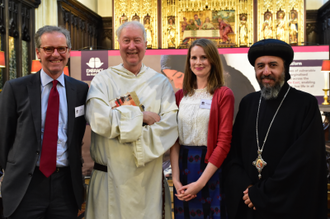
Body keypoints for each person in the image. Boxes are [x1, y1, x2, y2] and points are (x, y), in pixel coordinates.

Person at [224, 39, 327, 219]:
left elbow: (304, 161)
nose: (266, 72)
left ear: (285, 69)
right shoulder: (248, 103)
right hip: (249, 204)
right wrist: (247, 189)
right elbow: (234, 154)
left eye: (273, 65)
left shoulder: (305, 104)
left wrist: (263, 193)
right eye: (260, 66)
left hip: (287, 205)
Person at [85, 21, 178, 219]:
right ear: (118, 43)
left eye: (137, 40)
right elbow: (99, 119)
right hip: (110, 181)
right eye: (126, 40)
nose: (132, 46)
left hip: (147, 181)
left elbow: (170, 125)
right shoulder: (102, 80)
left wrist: (122, 127)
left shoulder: (160, 83)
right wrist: (141, 117)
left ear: (146, 43)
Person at [0, 25, 89, 218]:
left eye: (61, 48)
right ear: (38, 52)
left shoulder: (81, 90)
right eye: (49, 49)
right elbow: (4, 137)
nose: (55, 54)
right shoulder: (15, 88)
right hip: (25, 185)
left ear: (69, 52)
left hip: (65, 186)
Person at [171, 38, 234, 219]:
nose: (198, 62)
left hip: (210, 168)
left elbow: (223, 143)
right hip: (183, 167)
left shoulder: (223, 94)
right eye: (194, 58)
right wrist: (175, 179)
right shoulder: (180, 95)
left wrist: (200, 183)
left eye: (204, 57)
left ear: (213, 60)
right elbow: (174, 140)